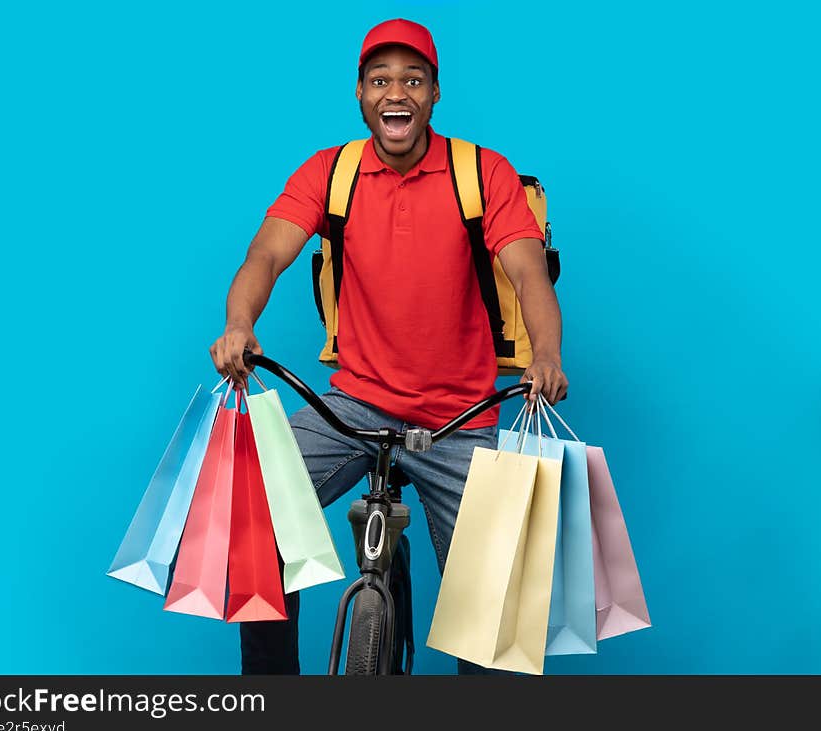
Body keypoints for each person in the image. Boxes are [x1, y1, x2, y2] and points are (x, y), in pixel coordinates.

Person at [209, 18, 569, 674]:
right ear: (359, 94)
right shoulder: (331, 172)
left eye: (412, 79)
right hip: (353, 408)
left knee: (495, 610)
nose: (395, 91)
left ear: (434, 94)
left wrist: (547, 354)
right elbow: (266, 254)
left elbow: (526, 269)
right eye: (380, 79)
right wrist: (239, 324)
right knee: (250, 514)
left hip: (458, 420)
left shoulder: (481, 173)